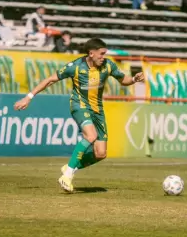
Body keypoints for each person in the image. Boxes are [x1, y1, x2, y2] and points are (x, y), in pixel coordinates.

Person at [14, 38, 144, 192]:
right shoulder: (75, 67)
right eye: (101, 54)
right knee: (91, 136)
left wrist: (134, 79)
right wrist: (28, 97)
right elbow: (50, 80)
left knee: (101, 154)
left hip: (98, 111)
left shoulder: (108, 65)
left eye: (105, 54)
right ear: (91, 53)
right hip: (79, 105)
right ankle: (67, 176)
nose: (103, 57)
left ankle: (71, 166)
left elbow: (124, 80)